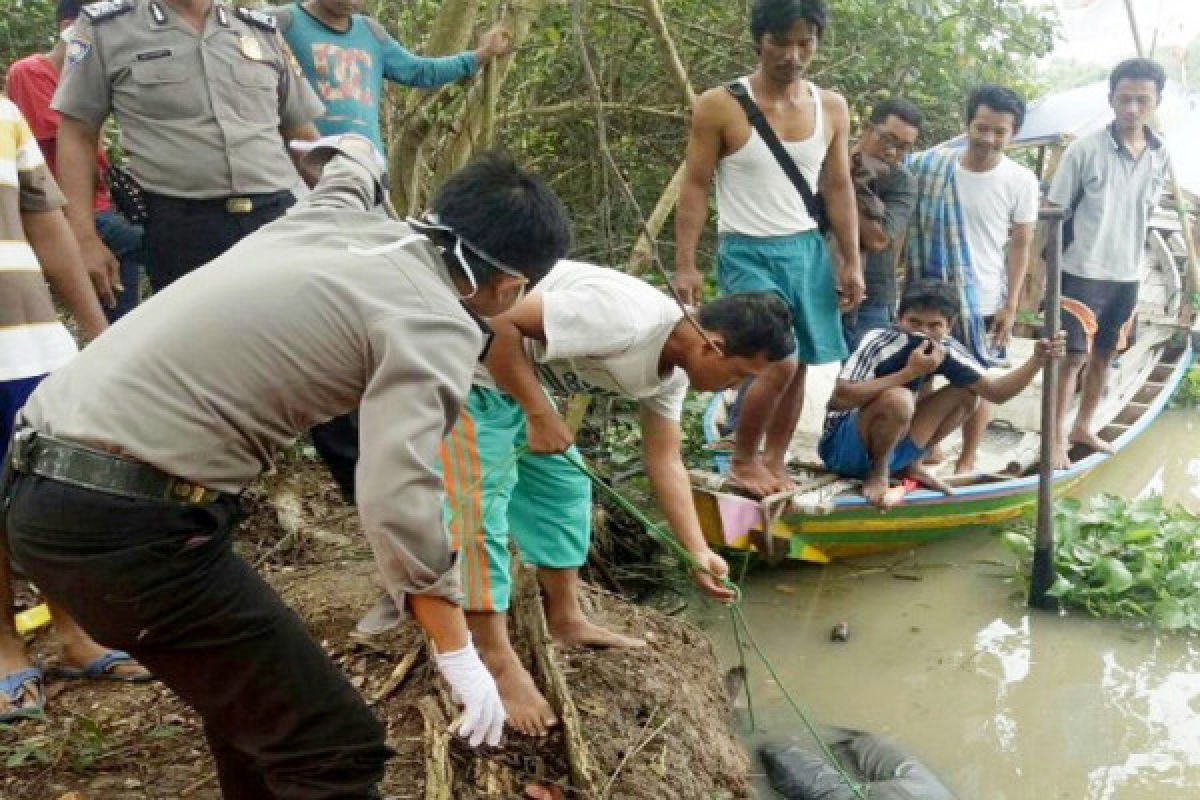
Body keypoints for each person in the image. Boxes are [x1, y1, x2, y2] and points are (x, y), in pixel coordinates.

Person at [4, 136, 572, 796]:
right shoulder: (435, 323)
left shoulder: (328, 218)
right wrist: (459, 654)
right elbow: (399, 494)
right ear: (509, 285)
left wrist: (347, 147)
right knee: (336, 749)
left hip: (37, 484)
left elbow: (349, 166)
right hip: (124, 527)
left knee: (256, 720)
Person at [443, 275, 794, 736]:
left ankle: (566, 619)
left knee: (565, 488)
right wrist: (539, 412)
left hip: (511, 380)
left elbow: (665, 460)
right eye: (740, 375)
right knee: (478, 514)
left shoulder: (670, 377)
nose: (734, 388)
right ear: (713, 344)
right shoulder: (625, 319)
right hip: (465, 369)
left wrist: (696, 553)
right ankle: (496, 659)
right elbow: (498, 318)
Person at [674, 0, 864, 499]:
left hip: (807, 249)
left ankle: (774, 460)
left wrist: (851, 259)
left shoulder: (833, 106)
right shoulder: (721, 104)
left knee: (802, 362)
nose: (793, 54)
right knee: (776, 359)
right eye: (782, 41)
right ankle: (742, 457)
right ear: (760, 40)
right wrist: (686, 264)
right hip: (747, 250)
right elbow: (694, 185)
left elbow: (839, 186)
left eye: (806, 43)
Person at [0, 95, 147, 723]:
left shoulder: (5, 115)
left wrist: (96, 329)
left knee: (47, 493)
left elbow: (46, 222)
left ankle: (74, 631)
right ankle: (4, 648)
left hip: (30, 342)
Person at [51, 0, 324, 295]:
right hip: (180, 228)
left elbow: (303, 136)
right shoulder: (107, 28)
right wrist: (83, 238)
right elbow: (77, 136)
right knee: (201, 338)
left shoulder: (260, 29)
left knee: (289, 331)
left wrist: (353, 211)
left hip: (275, 219)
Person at [821, 280, 1064, 509]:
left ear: (949, 325)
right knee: (899, 399)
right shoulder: (878, 341)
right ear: (899, 318)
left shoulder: (947, 349)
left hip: (895, 449)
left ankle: (911, 466)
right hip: (843, 450)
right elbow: (839, 399)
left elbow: (996, 393)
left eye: (934, 325)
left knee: (966, 395)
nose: (924, 332)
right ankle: (879, 472)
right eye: (914, 323)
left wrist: (1037, 360)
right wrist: (909, 373)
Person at [905, 85, 1039, 474]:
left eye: (1000, 132)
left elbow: (1021, 245)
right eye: (982, 128)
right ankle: (925, 448)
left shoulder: (1020, 180)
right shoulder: (929, 167)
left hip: (981, 296)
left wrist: (1010, 304)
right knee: (921, 370)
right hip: (928, 292)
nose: (989, 139)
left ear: (1013, 134)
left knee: (979, 380)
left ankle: (968, 456)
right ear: (967, 125)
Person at [1047, 58, 1169, 469]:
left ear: (1156, 102)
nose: (1132, 108)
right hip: (1082, 270)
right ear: (1111, 99)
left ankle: (1084, 426)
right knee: (1071, 360)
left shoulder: (1160, 154)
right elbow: (1055, 213)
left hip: (1128, 274)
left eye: (1142, 99)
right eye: (1124, 98)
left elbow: (1146, 209)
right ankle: (1054, 440)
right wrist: (1049, 276)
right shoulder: (1084, 150)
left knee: (1105, 356)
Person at [7, 0, 146, 322]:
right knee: (134, 240)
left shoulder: (92, 78)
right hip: (64, 207)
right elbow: (68, 141)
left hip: (95, 201)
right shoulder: (31, 72)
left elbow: (95, 147)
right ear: (67, 27)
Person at [274, 0, 513, 157]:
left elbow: (420, 71)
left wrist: (482, 54)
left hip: (366, 167)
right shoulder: (281, 23)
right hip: (303, 166)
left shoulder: (370, 32)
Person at [841, 98, 922, 350]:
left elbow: (878, 239)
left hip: (871, 297)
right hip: (815, 287)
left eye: (903, 147)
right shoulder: (829, 160)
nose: (892, 152)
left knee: (863, 379)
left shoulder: (901, 181)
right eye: (887, 139)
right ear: (867, 128)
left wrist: (845, 186)